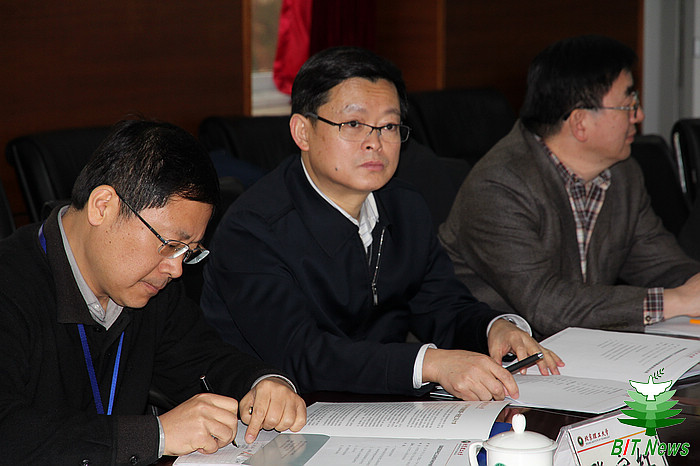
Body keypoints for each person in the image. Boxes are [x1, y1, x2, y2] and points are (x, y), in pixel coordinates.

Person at [200, 46, 562, 403]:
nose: (375, 143)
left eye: (388, 126)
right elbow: (301, 355)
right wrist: (429, 364)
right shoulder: (253, 229)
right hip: (279, 415)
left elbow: (440, 306)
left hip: (384, 407)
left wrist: (493, 328)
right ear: (302, 132)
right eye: (353, 124)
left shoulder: (405, 206)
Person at [0, 119, 306, 466]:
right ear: (103, 206)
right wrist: (157, 435)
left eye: (188, 252)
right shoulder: (10, 286)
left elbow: (204, 360)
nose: (176, 269)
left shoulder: (151, 289)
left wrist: (263, 384)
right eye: (171, 245)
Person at [439, 34, 700, 340]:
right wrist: (674, 301)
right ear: (580, 123)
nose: (639, 115)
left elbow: (662, 265)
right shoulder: (499, 186)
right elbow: (546, 305)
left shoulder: (622, 173)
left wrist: (692, 287)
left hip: (577, 348)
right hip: (485, 355)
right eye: (629, 104)